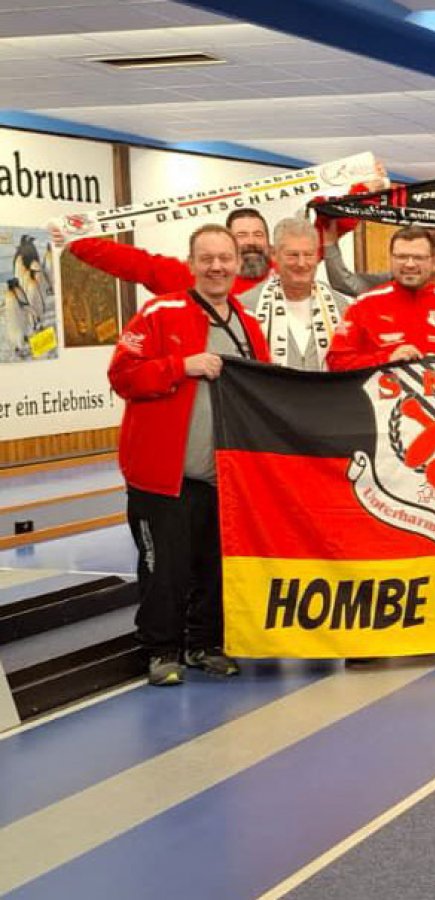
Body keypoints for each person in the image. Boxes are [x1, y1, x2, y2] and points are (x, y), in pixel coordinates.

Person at [108, 224, 269, 685]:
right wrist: (181, 366)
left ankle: (205, 644)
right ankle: (161, 651)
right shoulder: (161, 312)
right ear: (191, 263)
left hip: (222, 477)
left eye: (225, 258)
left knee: (213, 568)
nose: (216, 267)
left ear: (238, 264)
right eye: (207, 258)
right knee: (165, 570)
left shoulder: (248, 324)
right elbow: (123, 375)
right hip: (163, 477)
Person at [326, 227, 435, 370]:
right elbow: (336, 363)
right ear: (391, 258)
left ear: (431, 259)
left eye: (418, 257)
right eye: (402, 257)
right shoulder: (363, 306)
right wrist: (387, 359)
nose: (410, 264)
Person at [57, 208, 274, 297]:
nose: (251, 242)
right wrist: (77, 241)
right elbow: (137, 264)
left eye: (258, 235)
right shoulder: (196, 277)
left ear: (269, 242)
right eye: (242, 235)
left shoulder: (288, 275)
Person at [240, 217, 351, 371]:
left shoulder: (341, 307)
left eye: (308, 255)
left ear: (318, 255)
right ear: (274, 255)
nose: (301, 263)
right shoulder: (246, 308)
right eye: (292, 255)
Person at [329, 226, 435, 312]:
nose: (432, 250)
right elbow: (343, 281)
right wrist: (329, 236)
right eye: (427, 242)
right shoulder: (388, 283)